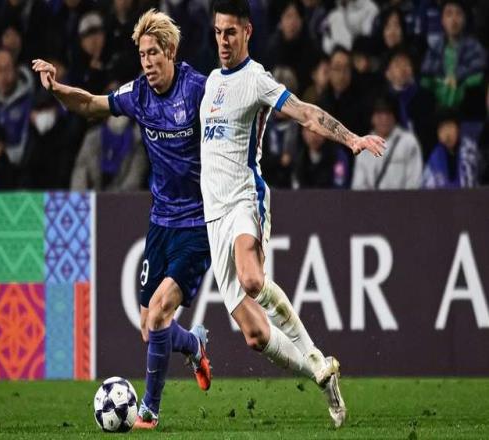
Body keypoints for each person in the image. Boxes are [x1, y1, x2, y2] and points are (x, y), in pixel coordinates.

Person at [200, 0, 385, 428]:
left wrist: (351, 139)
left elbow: (306, 113)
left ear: (247, 32)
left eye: (231, 32)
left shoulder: (256, 79)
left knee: (252, 278)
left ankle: (315, 356)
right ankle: (321, 373)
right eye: (218, 32)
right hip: (213, 215)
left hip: (245, 199)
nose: (223, 41)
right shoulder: (210, 82)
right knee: (255, 336)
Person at [32, 9, 212, 430]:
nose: (146, 62)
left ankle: (148, 410)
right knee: (151, 329)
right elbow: (90, 104)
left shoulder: (199, 89)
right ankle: (195, 345)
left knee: (159, 312)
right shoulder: (139, 94)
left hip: (198, 222)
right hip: (160, 222)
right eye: (142, 54)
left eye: (153, 53)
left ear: (170, 51)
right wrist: (56, 89)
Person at [352, 95, 423, 190]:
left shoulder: (408, 142)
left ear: (395, 117)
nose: (384, 119)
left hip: (403, 198)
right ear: (372, 118)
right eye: (380, 115)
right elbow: (358, 186)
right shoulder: (363, 146)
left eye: (388, 114)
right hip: (372, 199)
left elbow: (414, 183)